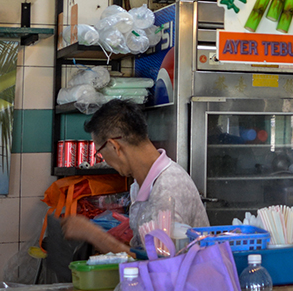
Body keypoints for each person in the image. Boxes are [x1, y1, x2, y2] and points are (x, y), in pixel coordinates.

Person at [61, 99, 208, 254]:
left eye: (100, 153)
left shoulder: (169, 188)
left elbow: (163, 264)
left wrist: (93, 234)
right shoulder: (141, 184)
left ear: (114, 146)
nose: (105, 160)